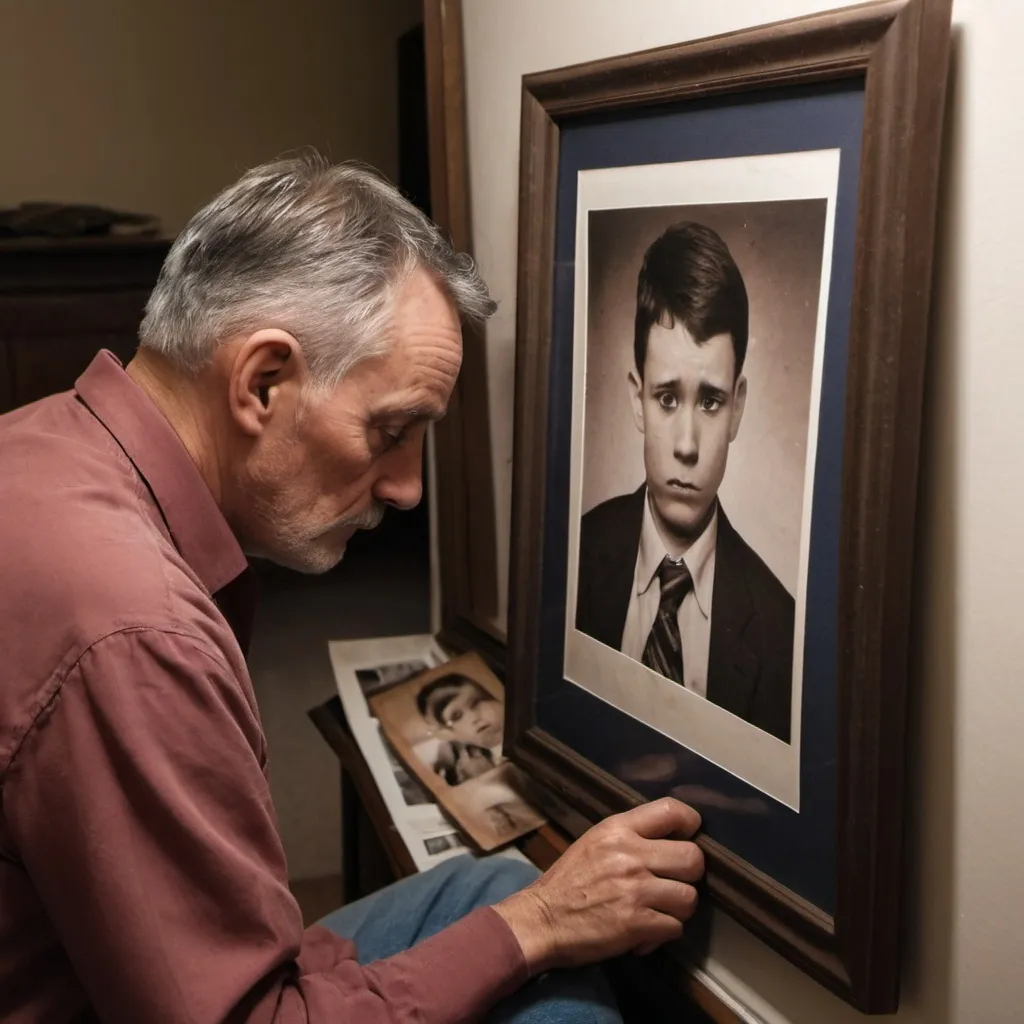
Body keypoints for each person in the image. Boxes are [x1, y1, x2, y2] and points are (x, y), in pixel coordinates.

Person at [0, 153, 705, 1024]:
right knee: (554, 981)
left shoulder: (40, 442)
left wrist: (521, 921)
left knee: (491, 884)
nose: (407, 486)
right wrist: (538, 930)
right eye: (392, 429)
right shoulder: (136, 631)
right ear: (263, 381)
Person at [575, 221, 794, 742]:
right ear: (637, 397)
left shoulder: (781, 629)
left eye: (712, 401)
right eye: (667, 398)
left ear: (737, 407)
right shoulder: (574, 555)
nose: (688, 445)